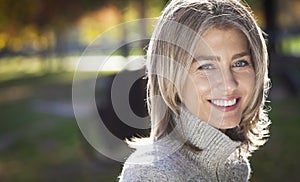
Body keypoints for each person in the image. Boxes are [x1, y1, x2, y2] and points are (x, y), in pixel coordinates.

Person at [119, 0, 271, 181]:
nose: (229, 84)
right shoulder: (152, 173)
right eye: (206, 67)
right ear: (172, 77)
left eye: (239, 63)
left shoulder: (235, 166)